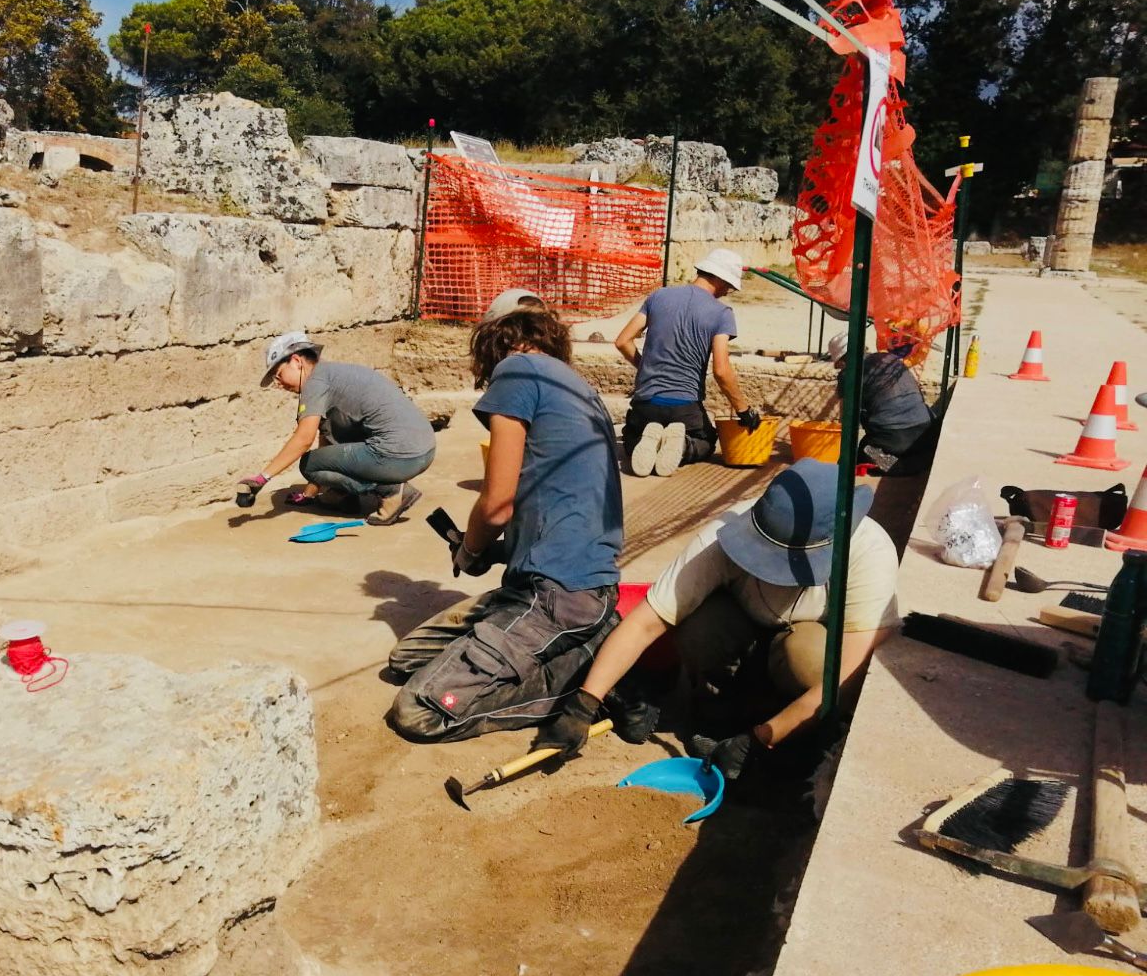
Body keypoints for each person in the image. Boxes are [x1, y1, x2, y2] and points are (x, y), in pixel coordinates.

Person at [534, 459, 899, 781]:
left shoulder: (868, 550)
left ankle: (787, 726)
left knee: (812, 657)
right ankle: (718, 710)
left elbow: (846, 674)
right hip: (741, 638)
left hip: (798, 651)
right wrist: (583, 704)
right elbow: (647, 621)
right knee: (699, 625)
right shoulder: (723, 535)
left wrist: (761, 739)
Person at [386, 289, 625, 741]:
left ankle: (593, 675)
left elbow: (497, 504)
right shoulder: (578, 389)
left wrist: (472, 548)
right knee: (407, 660)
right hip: (547, 586)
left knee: (419, 710)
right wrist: (493, 551)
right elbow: (553, 510)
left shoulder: (516, 369)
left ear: (494, 339)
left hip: (559, 595)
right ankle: (577, 644)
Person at [236, 332, 435, 525]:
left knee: (308, 464)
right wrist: (309, 494)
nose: (278, 384)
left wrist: (262, 478)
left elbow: (304, 439)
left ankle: (390, 490)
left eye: (279, 375)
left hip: (400, 456)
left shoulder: (315, 382)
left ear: (297, 361)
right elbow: (328, 442)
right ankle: (343, 495)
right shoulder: (331, 374)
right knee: (322, 458)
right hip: (424, 450)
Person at [614, 248, 761, 477]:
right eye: (729, 286)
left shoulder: (658, 297)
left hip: (646, 404)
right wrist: (744, 410)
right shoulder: (722, 313)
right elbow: (721, 371)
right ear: (720, 279)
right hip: (684, 408)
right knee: (708, 440)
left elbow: (623, 341)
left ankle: (644, 440)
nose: (726, 292)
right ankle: (683, 446)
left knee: (632, 436)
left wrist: (646, 367)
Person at [828, 332, 937, 474]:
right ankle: (917, 460)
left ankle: (898, 468)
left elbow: (847, 421)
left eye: (839, 366)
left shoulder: (848, 374)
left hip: (895, 438)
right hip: (926, 432)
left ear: (842, 361)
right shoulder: (889, 358)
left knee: (864, 451)